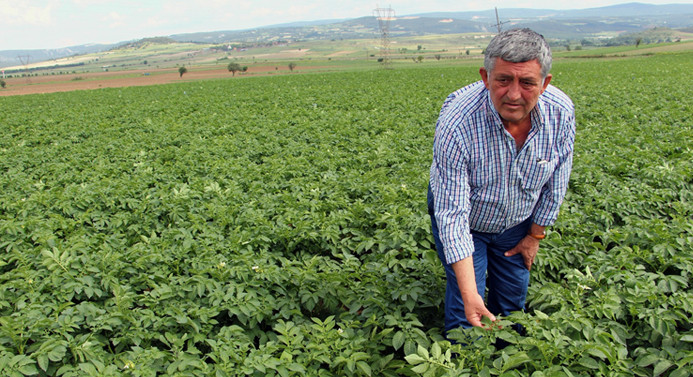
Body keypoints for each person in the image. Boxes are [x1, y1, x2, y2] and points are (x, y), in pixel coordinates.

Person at [427, 28, 576, 334]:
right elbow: (452, 216)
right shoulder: (458, 124)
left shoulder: (560, 113)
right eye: (503, 80)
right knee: (466, 311)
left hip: (517, 221)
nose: (513, 94)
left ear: (545, 83)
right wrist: (470, 294)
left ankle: (509, 357)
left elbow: (558, 177)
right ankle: (464, 356)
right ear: (486, 77)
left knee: (512, 304)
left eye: (527, 83)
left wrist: (535, 236)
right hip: (468, 220)